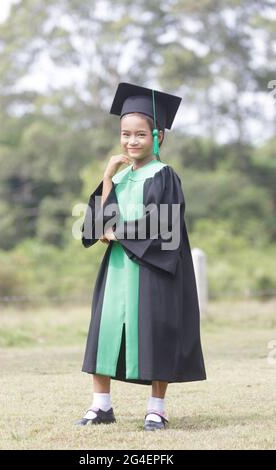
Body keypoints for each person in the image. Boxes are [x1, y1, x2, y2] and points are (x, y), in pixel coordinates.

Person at [75, 82, 206, 431]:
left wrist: (118, 233)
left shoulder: (164, 175)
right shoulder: (119, 177)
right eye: (125, 134)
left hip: (152, 268)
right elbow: (97, 223)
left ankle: (156, 408)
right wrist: (106, 178)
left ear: (158, 136)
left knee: (155, 333)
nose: (132, 141)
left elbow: (164, 224)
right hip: (117, 269)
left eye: (141, 135)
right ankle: (101, 406)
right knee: (104, 331)